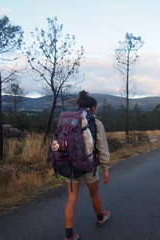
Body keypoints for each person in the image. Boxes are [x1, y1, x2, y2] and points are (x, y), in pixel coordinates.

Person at [64, 91, 111, 240]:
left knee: (71, 200)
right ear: (93, 108)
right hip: (88, 166)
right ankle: (100, 217)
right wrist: (105, 168)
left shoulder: (69, 120)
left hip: (70, 166)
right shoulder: (96, 122)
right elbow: (102, 147)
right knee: (94, 194)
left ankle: (69, 235)